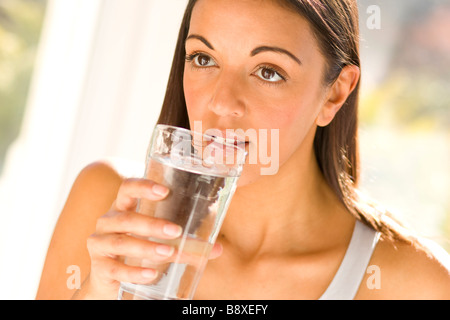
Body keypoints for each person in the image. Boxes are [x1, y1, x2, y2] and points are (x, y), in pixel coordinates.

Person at [36, 0, 450, 300]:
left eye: (268, 71)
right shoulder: (108, 208)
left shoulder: (414, 285)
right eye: (203, 58)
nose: (222, 102)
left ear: (335, 94)